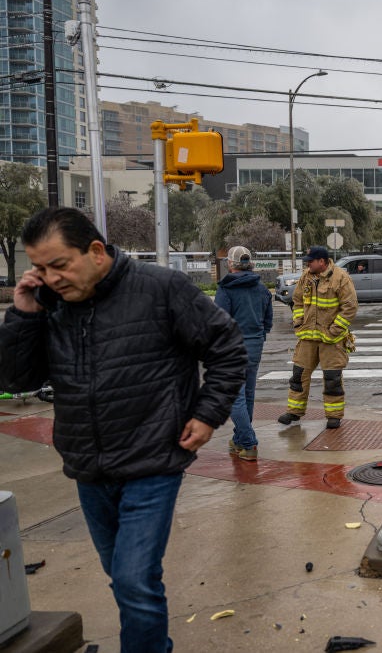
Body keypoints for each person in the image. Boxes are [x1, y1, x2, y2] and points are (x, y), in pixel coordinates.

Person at [0, 207, 246, 653]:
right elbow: (19, 381)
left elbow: (227, 349)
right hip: (88, 467)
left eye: (59, 264)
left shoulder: (162, 288)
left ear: (95, 251)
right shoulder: (49, 305)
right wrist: (23, 314)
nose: (50, 277)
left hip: (153, 459)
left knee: (134, 578)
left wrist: (208, 414)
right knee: (124, 576)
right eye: (39, 267)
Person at [278, 245, 358, 430]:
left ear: (322, 262)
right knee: (298, 376)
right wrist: (298, 321)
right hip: (307, 338)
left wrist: (335, 330)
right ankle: (294, 412)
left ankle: (334, 416)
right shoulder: (306, 277)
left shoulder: (341, 278)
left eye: (311, 262)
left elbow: (350, 307)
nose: (308, 265)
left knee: (332, 379)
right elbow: (297, 301)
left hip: (331, 340)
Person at [215, 245, 274, 461]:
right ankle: (239, 439)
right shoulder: (262, 289)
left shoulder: (226, 289)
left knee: (233, 397)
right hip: (255, 345)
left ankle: (249, 442)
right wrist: (259, 336)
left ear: (230, 264)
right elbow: (268, 321)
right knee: (247, 394)